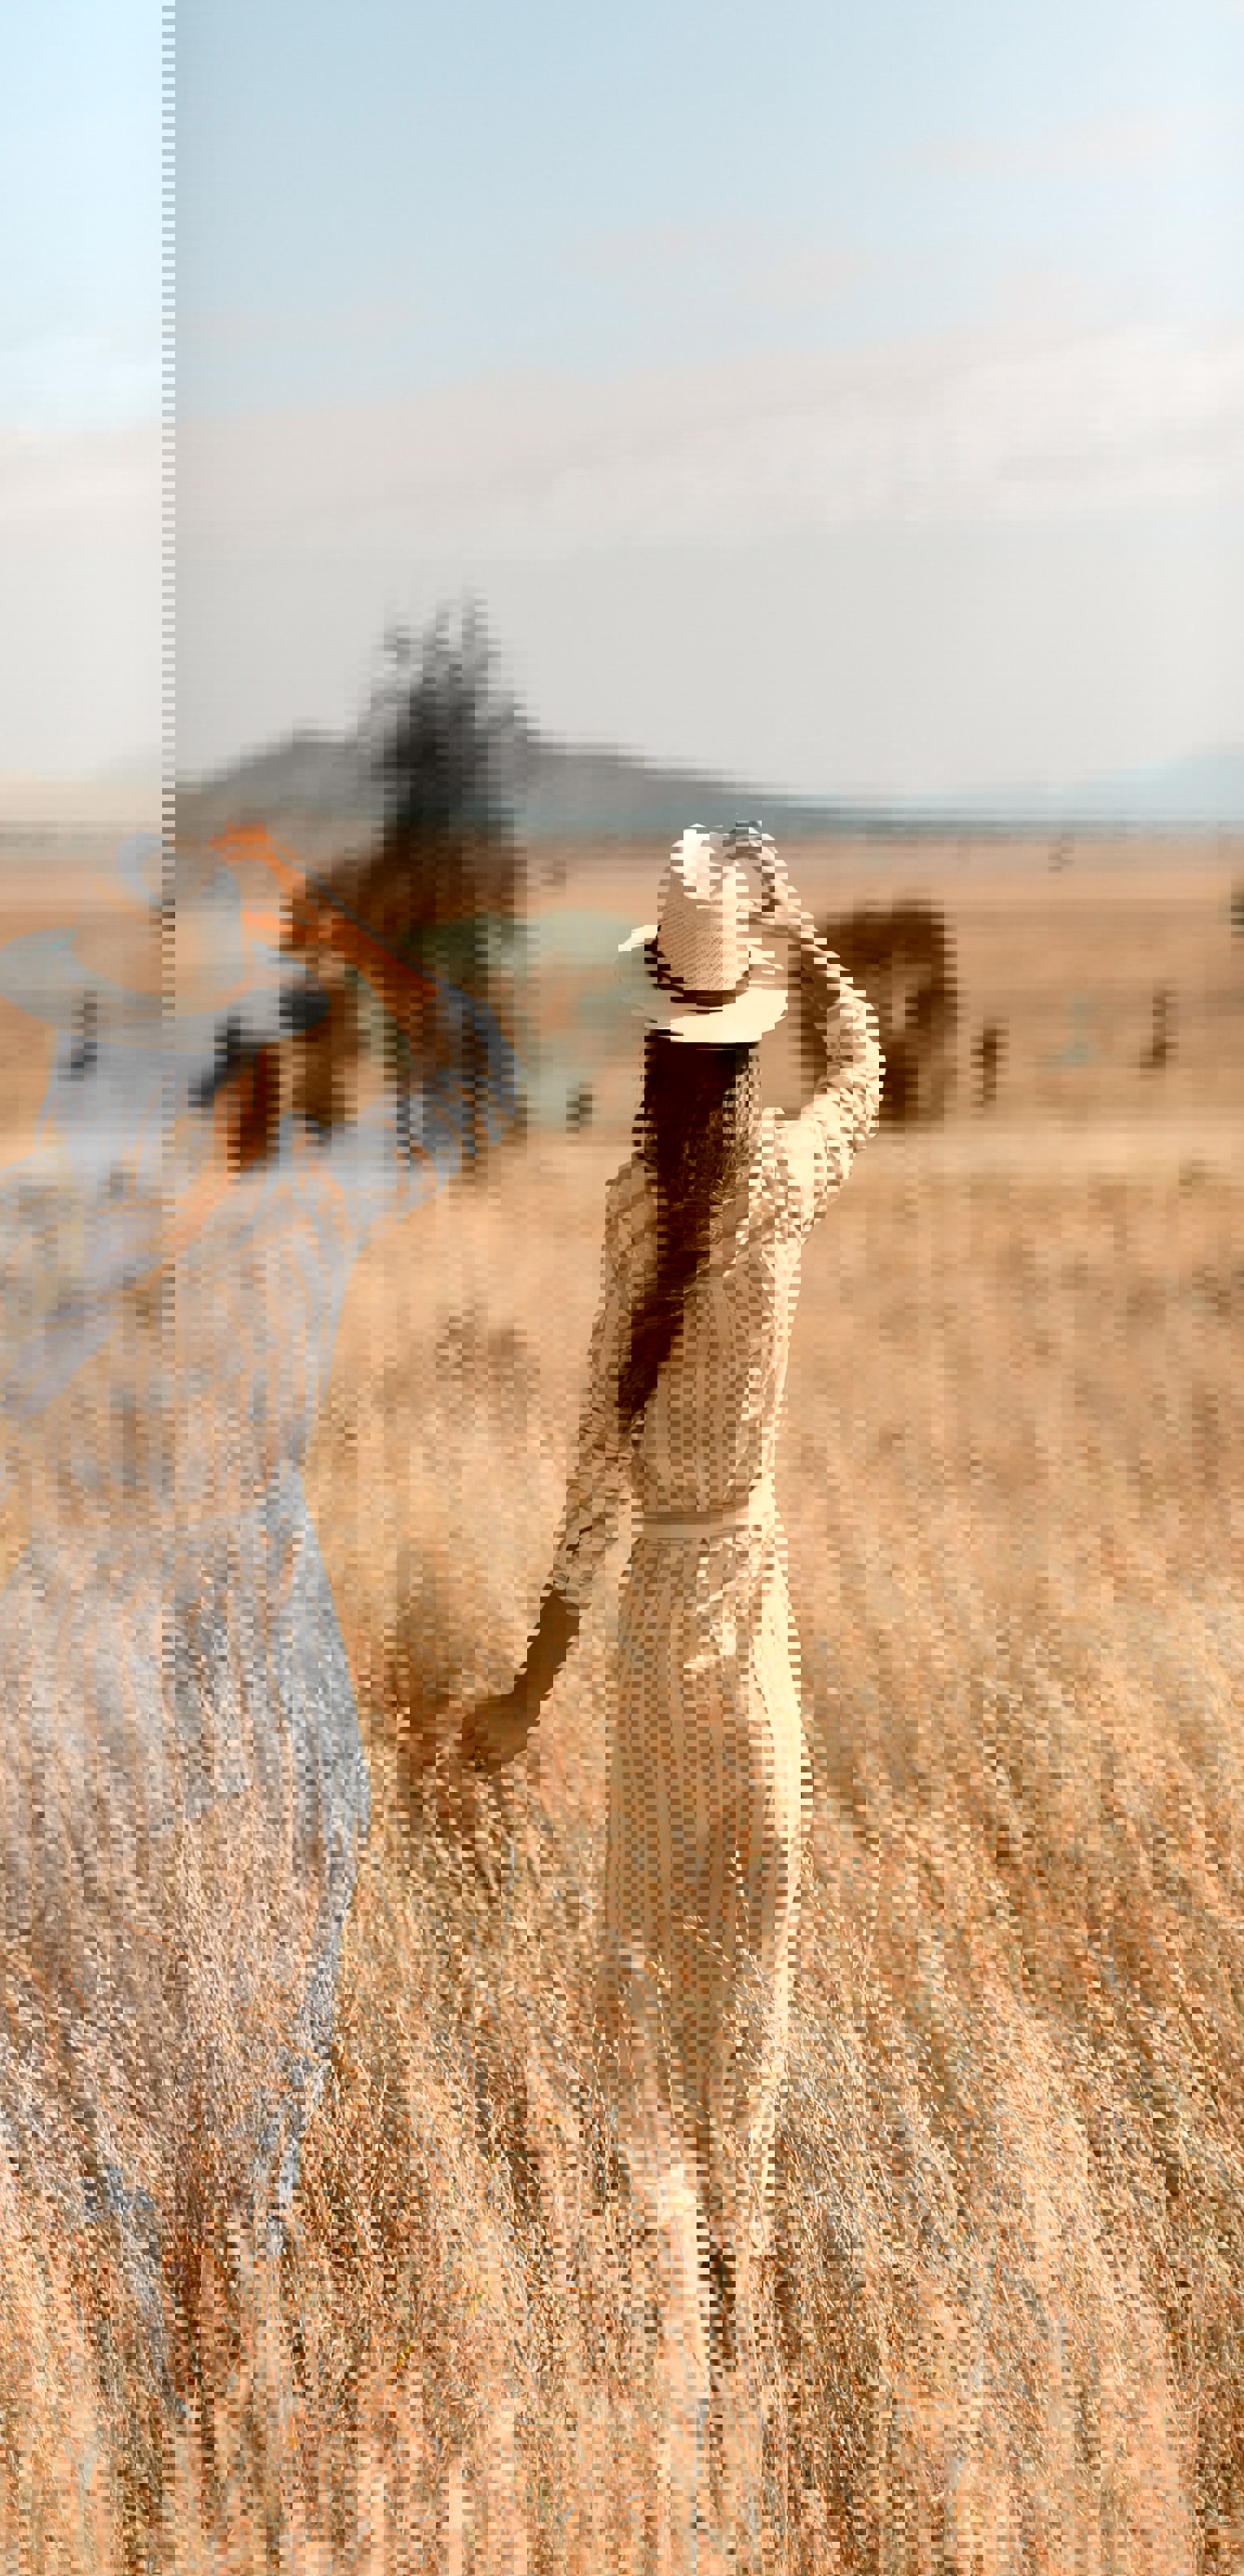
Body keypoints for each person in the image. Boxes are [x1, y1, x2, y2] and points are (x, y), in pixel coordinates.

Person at [0, 823, 512, 2398]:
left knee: (234, 2074)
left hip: (234, 1643)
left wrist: (345, 936)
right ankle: (122, 2408)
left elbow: (477, 1086)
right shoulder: (98, 1222)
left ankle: (199, 2405)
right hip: (107, 1649)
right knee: (76, 2052)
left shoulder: (297, 1207)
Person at [462, 828, 881, 2386]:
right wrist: (806, 934)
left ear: (655, 1035)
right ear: (748, 1024)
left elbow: (589, 1478)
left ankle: (664, 2302)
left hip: (650, 1618)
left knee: (650, 1953)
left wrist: (527, 1687)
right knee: (747, 1944)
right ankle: (732, 2281)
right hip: (747, 1600)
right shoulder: (779, 1179)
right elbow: (868, 1073)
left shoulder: (643, 1209)